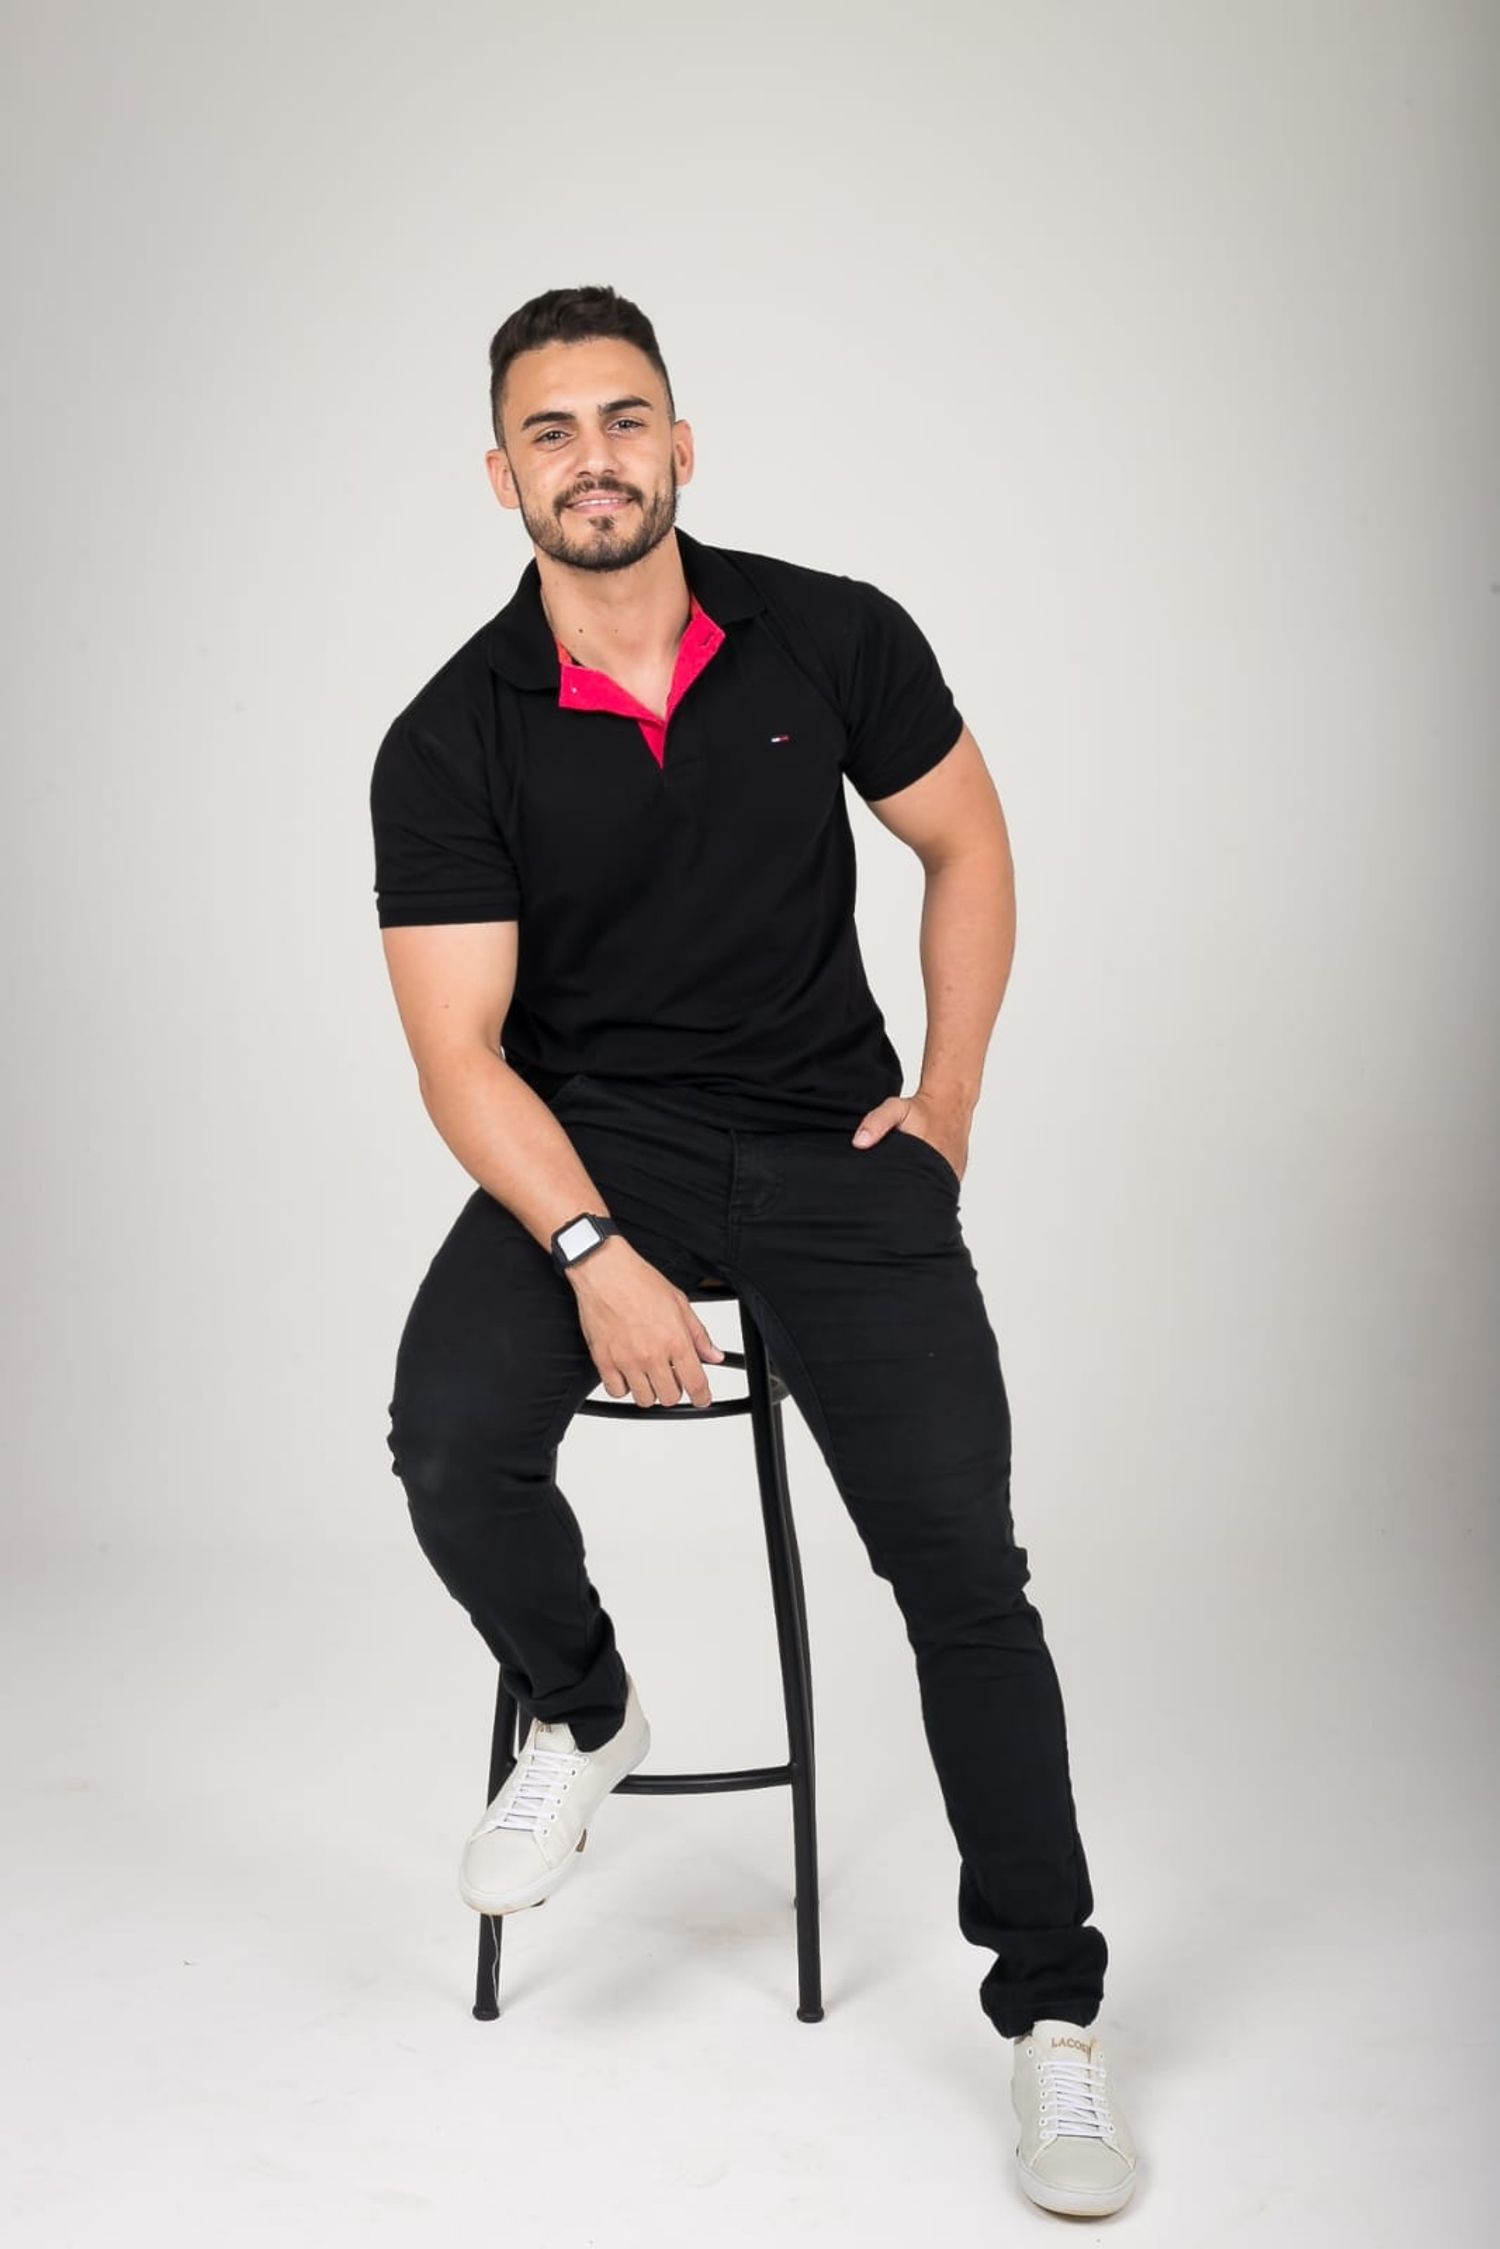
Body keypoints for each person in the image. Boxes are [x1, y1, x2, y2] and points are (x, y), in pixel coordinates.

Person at [369, 284, 1140, 2219]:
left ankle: (1054, 2017)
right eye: (551, 431)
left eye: (625, 418)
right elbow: (461, 1053)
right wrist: (588, 1244)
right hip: (597, 1143)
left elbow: (969, 845)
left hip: (828, 1139)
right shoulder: (450, 734)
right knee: (448, 1438)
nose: (594, 458)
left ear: (683, 443)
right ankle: (588, 1708)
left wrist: (947, 1095)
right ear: (500, 475)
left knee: (965, 1573)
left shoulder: (831, 631)